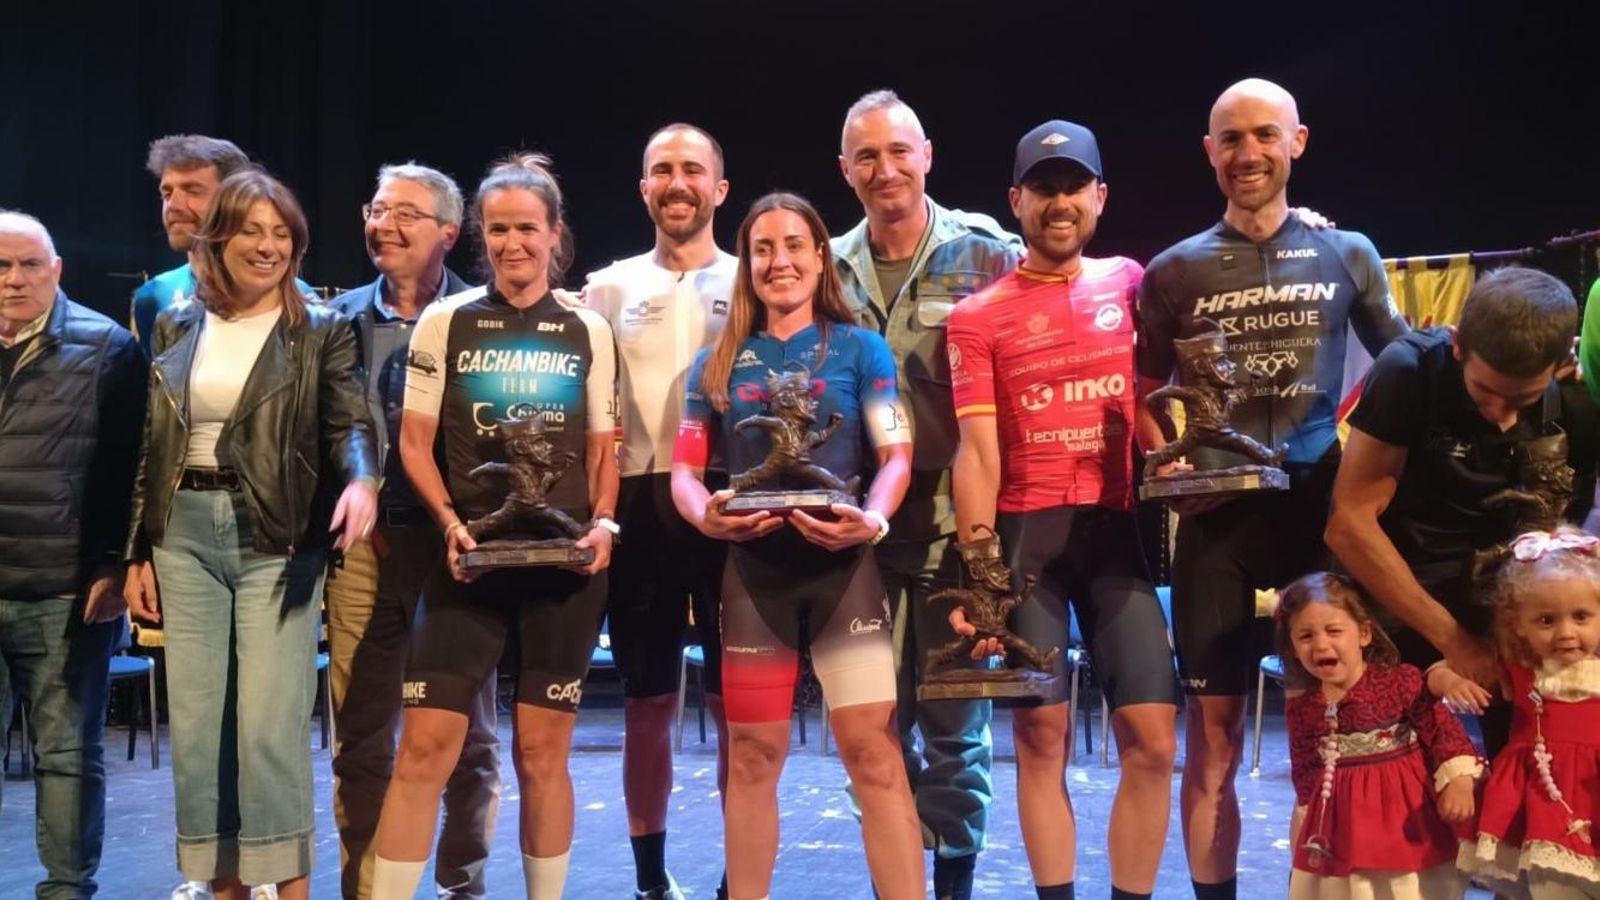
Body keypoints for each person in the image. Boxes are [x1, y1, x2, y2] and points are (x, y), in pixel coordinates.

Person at [1135, 77, 1408, 900]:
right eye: (1231, 139)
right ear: (1209, 152)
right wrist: (1168, 462)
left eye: (1264, 135)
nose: (1247, 154)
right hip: (1217, 523)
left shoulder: (1347, 252)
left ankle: (1322, 888)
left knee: (1327, 726)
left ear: (1298, 141)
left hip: (1318, 512)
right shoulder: (1172, 269)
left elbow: (1402, 367)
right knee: (1211, 738)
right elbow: (1145, 390)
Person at [122, 170, 380, 900]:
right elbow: (152, 443)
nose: (268, 246)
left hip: (277, 534)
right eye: (252, 230)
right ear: (218, 237)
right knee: (201, 731)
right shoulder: (176, 322)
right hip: (183, 536)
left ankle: (288, 891)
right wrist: (136, 550)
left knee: (267, 730)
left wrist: (362, 479)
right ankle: (223, 887)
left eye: (282, 234)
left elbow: (350, 423)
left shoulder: (319, 328)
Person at [370, 153, 617, 900]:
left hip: (564, 571)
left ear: (554, 235)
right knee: (424, 751)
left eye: (528, 229)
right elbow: (414, 443)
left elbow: (605, 445)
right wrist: (448, 521)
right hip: (468, 565)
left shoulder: (588, 328)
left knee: (544, 756)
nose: (514, 243)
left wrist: (605, 521)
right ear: (480, 234)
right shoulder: (446, 322)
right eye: (499, 228)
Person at [947, 120, 1180, 900]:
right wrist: (982, 576)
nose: (1059, 202)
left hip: (1118, 536)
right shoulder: (976, 317)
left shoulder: (1132, 281)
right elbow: (976, 452)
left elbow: (1155, 410)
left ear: (1100, 196)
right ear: (1016, 201)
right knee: (1039, 737)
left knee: (1151, 741)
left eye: (1074, 186)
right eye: (1042, 188)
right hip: (1025, 542)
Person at [671, 192, 924, 900]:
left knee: (874, 756)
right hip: (754, 578)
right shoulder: (714, 365)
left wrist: (872, 519)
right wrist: (705, 519)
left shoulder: (862, 348)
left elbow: (897, 454)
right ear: (747, 265)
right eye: (762, 249)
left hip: (846, 573)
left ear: (820, 257)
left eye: (793, 246)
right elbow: (687, 475)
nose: (779, 261)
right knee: (751, 758)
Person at [832, 89, 1021, 900]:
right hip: (853, 538)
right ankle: (897, 878)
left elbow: (1078, 281)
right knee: (873, 732)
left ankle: (952, 886)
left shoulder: (987, 253)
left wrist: (1308, 223)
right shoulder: (824, 264)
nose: (885, 170)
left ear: (927, 156)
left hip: (954, 527)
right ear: (846, 170)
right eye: (867, 156)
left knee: (955, 728)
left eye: (898, 151)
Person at [1326, 266, 1596, 758]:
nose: (1502, 414)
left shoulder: (1574, 399)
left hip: (1503, 604)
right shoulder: (1410, 371)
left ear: (1560, 363)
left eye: (1523, 398)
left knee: (1533, 766)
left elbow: (1561, 540)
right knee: (1394, 780)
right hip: (1400, 595)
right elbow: (1349, 526)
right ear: (1456, 345)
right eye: (1485, 393)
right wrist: (1455, 640)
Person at [325, 163, 499, 900]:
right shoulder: (337, 321)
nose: (382, 225)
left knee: (470, 739)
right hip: (364, 551)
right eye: (376, 209)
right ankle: (366, 888)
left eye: (404, 214)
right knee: (361, 734)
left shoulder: (486, 317)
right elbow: (339, 428)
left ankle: (464, 885)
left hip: (456, 548)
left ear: (448, 235)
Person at [581, 123, 735, 900]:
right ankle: (650, 881)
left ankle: (743, 871)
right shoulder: (605, 288)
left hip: (725, 502)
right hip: (638, 505)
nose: (677, 183)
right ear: (644, 187)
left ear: (719, 189)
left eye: (692, 170)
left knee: (736, 705)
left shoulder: (751, 280)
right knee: (647, 704)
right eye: (662, 171)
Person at [0, 210, 145, 898]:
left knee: (65, 757)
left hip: (63, 589)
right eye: (1, 266)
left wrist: (113, 564)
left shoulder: (107, 347)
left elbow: (129, 471)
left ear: (57, 271)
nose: (14, 279)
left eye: (30, 264)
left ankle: (67, 890)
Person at [1273, 572, 1479, 900]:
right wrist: (1306, 822)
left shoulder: (1400, 683)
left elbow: (1443, 730)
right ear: (1294, 649)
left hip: (1404, 824)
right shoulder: (1304, 708)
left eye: (1334, 631)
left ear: (1364, 633)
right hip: (1343, 831)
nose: (1321, 644)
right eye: (1306, 636)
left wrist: (1460, 782)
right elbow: (1307, 773)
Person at [1458, 527, 1600, 899]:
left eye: (1581, 616)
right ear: (1518, 625)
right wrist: (1441, 678)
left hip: (1591, 795)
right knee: (1552, 887)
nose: (1566, 632)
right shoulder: (1517, 668)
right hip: (1538, 802)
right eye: (1546, 621)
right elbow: (1446, 669)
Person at [132, 135, 312, 356]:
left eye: (193, 191)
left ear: (237, 198)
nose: (173, 206)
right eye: (167, 194)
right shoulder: (152, 297)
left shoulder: (296, 298)